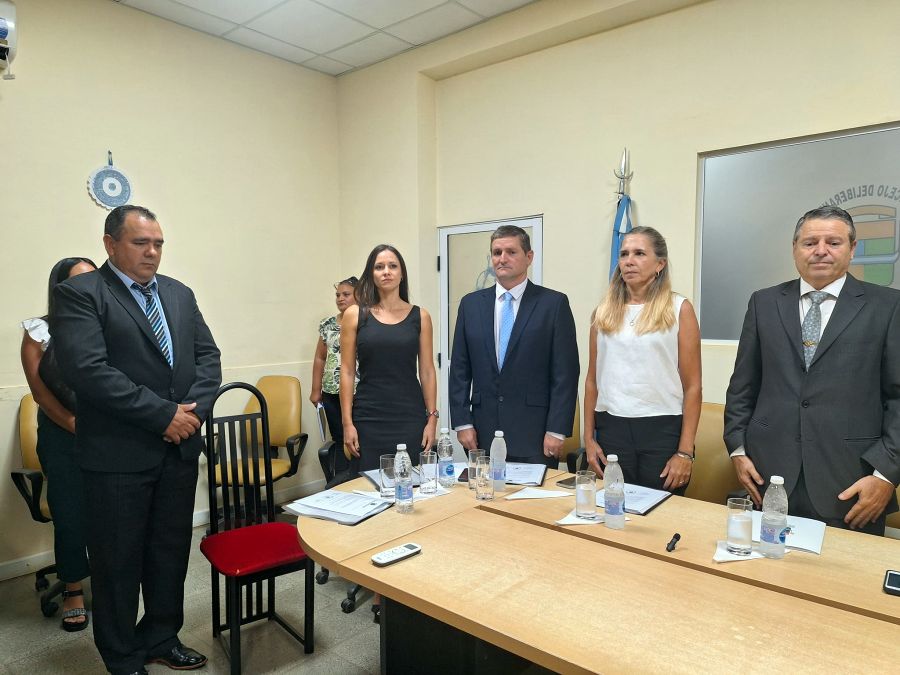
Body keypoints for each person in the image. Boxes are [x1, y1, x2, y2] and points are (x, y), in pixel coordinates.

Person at [52, 205, 221, 674]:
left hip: (178, 451)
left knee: (169, 555)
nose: (152, 252)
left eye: (158, 243)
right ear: (110, 244)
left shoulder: (179, 294)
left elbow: (208, 358)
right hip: (117, 458)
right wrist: (163, 415)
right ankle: (122, 655)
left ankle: (161, 637)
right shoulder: (81, 293)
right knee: (117, 563)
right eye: (140, 242)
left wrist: (190, 416)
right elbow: (89, 371)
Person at [725, 205, 900, 535]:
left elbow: (897, 398)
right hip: (768, 477)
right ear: (795, 248)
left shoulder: (889, 307)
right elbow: (743, 386)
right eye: (809, 243)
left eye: (833, 242)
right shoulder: (764, 303)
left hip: (851, 482)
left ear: (852, 248)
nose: (820, 251)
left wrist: (886, 475)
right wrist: (737, 449)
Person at [582, 227, 701, 493]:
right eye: (624, 254)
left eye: (639, 253)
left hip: (662, 429)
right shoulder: (603, 312)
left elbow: (693, 386)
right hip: (611, 427)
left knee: (659, 511)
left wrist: (685, 452)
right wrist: (588, 439)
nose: (629, 261)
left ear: (660, 264)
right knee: (612, 508)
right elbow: (592, 381)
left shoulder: (679, 309)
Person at [449, 225, 579, 466]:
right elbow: (459, 369)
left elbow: (565, 373)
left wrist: (557, 429)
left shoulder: (553, 304)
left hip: (535, 434)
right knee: (483, 490)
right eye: (496, 252)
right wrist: (462, 422)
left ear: (529, 257)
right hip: (482, 433)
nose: (502, 258)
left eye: (511, 252)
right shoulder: (471, 305)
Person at [20, 256, 97, 631]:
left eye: (93, 280)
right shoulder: (39, 331)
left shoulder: (108, 325)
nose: (87, 288)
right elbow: (41, 394)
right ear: (60, 289)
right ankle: (73, 589)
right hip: (62, 434)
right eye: (77, 282)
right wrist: (74, 425)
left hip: (105, 433)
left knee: (111, 512)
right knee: (69, 515)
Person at [340, 245, 438, 472]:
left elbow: (427, 371)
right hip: (368, 417)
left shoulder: (420, 316)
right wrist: (347, 423)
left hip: (410, 416)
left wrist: (432, 419)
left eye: (393, 266)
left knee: (412, 483)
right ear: (371, 274)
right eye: (379, 267)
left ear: (401, 274)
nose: (386, 271)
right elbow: (346, 371)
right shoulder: (355, 315)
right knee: (367, 484)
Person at [310, 276, 358, 474]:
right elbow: (320, 358)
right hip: (331, 391)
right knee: (339, 438)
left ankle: (359, 478)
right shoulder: (328, 324)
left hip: (357, 391)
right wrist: (316, 390)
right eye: (337, 295)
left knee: (358, 437)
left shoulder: (366, 321)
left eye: (346, 294)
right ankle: (341, 480)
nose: (340, 298)